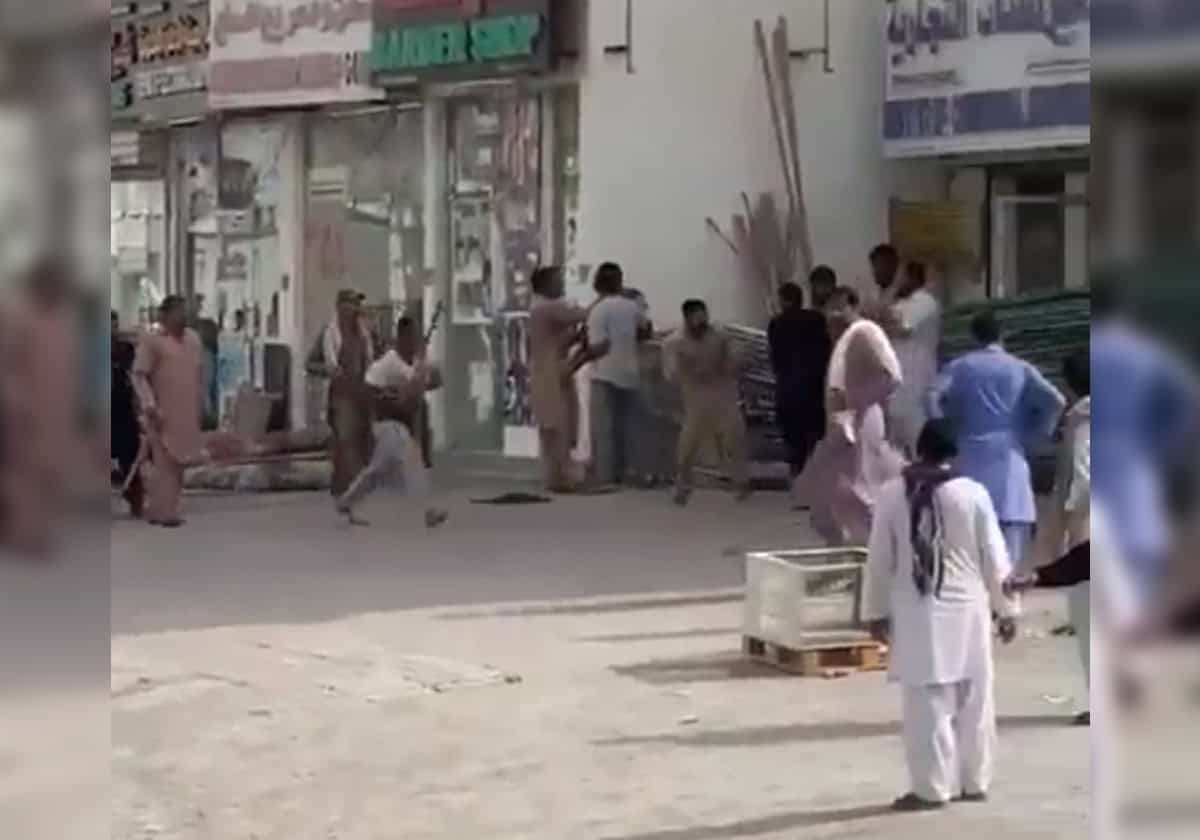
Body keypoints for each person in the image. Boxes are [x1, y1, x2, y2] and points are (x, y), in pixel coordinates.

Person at [863, 419, 1018, 812]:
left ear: (919, 449)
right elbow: (994, 558)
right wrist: (1007, 609)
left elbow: (880, 559)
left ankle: (931, 789)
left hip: (919, 611)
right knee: (975, 699)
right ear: (955, 454)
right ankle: (975, 781)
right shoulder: (972, 493)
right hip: (968, 608)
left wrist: (875, 612)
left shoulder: (893, 493)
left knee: (926, 704)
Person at [927, 310, 1066, 577]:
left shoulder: (960, 366)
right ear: (1003, 335)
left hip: (968, 454)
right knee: (1010, 531)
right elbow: (1056, 400)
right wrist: (1038, 434)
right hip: (1009, 453)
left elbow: (931, 396)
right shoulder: (1019, 367)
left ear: (973, 336)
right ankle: (1006, 592)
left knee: (968, 531)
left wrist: (943, 430)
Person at [1014, 349, 1091, 725]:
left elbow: (1082, 475)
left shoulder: (1082, 421)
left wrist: (1070, 516)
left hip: (1091, 532)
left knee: (1091, 621)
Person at [800, 287, 905, 546]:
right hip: (846, 421)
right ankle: (850, 542)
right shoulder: (846, 337)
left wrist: (855, 404)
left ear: (854, 306)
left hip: (861, 419)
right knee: (839, 484)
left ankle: (872, 544)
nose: (834, 314)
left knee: (860, 484)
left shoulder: (866, 332)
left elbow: (892, 377)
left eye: (840, 307)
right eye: (830, 309)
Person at [336, 317, 447, 529]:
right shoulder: (388, 362)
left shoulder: (418, 361)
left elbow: (436, 381)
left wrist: (424, 370)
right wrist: (391, 396)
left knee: (375, 472)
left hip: (406, 424)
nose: (415, 340)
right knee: (413, 462)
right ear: (402, 337)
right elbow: (368, 389)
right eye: (411, 336)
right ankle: (429, 510)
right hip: (387, 423)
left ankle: (346, 501)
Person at [664, 299, 749, 506]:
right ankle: (683, 483)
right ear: (687, 318)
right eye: (697, 318)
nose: (702, 323)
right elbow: (671, 373)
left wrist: (733, 360)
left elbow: (737, 358)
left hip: (723, 394)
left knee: (734, 436)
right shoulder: (675, 342)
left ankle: (740, 481)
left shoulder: (720, 336)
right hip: (696, 398)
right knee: (688, 444)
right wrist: (685, 368)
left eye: (704, 317)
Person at [132, 295, 203, 528]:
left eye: (185, 310)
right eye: (178, 311)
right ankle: (165, 512)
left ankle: (158, 509)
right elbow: (139, 376)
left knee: (180, 462)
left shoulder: (193, 340)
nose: (184, 315)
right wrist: (149, 404)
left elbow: (198, 373)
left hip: (186, 409)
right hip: (161, 411)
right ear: (165, 315)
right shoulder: (153, 342)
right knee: (164, 462)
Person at [580, 262, 649, 486]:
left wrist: (574, 363)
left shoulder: (598, 310)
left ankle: (605, 475)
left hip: (604, 374)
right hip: (629, 372)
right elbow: (645, 331)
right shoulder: (632, 307)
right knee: (628, 426)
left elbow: (599, 346)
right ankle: (630, 471)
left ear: (597, 284)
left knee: (603, 428)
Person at [309, 290, 376, 497]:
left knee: (363, 440)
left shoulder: (366, 333)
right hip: (340, 395)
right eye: (351, 304)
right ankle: (345, 488)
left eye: (357, 305)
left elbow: (375, 358)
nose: (356, 309)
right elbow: (310, 363)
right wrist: (329, 370)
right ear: (340, 307)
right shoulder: (328, 333)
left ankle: (355, 487)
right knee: (345, 440)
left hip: (362, 393)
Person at [767, 274, 833, 478]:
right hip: (814, 388)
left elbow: (775, 356)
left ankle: (799, 475)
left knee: (794, 440)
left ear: (784, 301)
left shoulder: (777, 324)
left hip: (788, 389)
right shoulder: (817, 319)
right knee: (815, 436)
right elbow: (826, 350)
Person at [529, 266, 586, 493]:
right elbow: (582, 315)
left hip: (553, 368)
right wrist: (608, 298)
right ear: (545, 285)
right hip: (548, 371)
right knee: (557, 424)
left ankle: (557, 474)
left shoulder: (542, 309)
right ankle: (559, 475)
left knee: (562, 421)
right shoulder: (546, 307)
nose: (561, 284)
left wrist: (578, 339)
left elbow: (561, 339)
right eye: (557, 280)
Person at [884, 261, 942, 456]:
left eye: (901, 277)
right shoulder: (900, 304)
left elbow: (902, 328)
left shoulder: (925, 302)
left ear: (912, 278)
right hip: (898, 382)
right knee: (894, 445)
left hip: (917, 381)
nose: (897, 281)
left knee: (915, 438)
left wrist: (883, 317)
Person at [111, 311, 144, 518]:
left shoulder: (126, 349)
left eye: (114, 325)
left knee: (130, 454)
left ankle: (135, 500)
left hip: (123, 409)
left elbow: (135, 376)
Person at [868, 243, 901, 314]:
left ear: (891, 266)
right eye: (873, 266)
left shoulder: (902, 296)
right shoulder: (876, 294)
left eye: (878, 265)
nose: (874, 271)